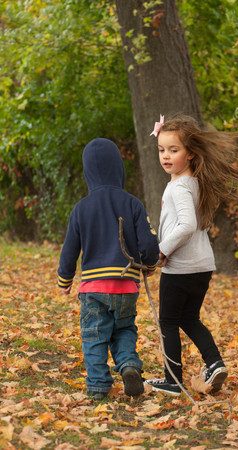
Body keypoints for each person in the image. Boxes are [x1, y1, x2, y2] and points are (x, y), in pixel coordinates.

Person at [146, 114, 238, 395]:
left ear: (191, 153)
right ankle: (215, 363)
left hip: (182, 268)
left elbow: (186, 225)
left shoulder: (180, 186)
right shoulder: (195, 183)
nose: (166, 156)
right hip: (202, 266)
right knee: (189, 318)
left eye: (174, 150)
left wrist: (161, 250)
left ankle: (172, 379)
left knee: (169, 322)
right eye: (162, 150)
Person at [57, 138, 159, 401]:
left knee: (94, 336)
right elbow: (148, 241)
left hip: (93, 290)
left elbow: (70, 250)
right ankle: (129, 365)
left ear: (87, 172)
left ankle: (99, 385)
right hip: (126, 285)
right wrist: (148, 264)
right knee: (124, 329)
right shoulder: (132, 203)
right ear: (119, 168)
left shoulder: (81, 209)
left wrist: (64, 279)